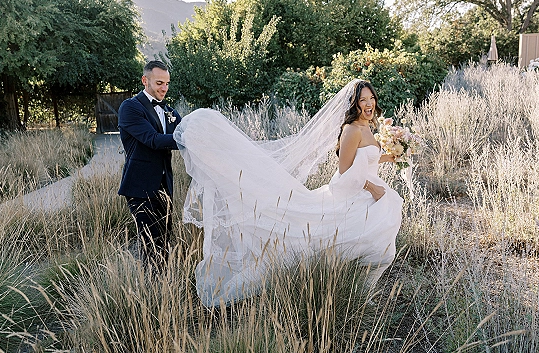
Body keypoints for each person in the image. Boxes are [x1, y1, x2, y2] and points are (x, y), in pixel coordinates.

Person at [173, 79, 403, 307]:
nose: (369, 103)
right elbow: (345, 171)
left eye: (371, 97)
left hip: (368, 194)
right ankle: (349, 294)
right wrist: (373, 188)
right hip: (355, 193)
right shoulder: (352, 130)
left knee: (379, 248)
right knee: (321, 245)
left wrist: (389, 156)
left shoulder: (368, 126)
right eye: (363, 99)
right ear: (354, 104)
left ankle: (361, 295)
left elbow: (364, 160)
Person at [118, 60, 182, 267]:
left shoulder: (170, 112)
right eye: (159, 83)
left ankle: (165, 290)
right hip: (140, 188)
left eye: (167, 83)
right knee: (151, 244)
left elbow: (183, 131)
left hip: (165, 186)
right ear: (145, 80)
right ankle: (152, 291)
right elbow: (153, 140)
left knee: (164, 241)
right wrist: (189, 139)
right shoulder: (130, 107)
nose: (164, 88)